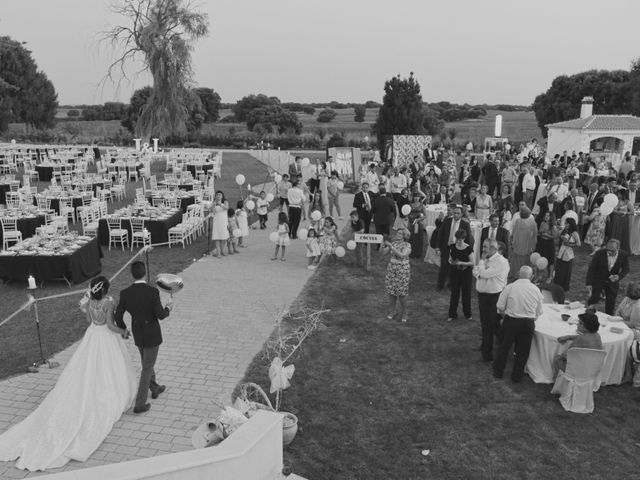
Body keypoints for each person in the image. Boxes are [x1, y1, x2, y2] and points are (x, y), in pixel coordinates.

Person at [0, 277, 136, 471]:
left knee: (87, 367)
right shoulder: (109, 303)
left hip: (92, 336)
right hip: (105, 339)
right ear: (105, 289)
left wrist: (86, 308)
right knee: (110, 368)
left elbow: (90, 321)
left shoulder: (90, 302)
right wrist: (123, 330)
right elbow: (110, 326)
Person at [115, 262, 172, 414]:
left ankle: (154, 388)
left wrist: (123, 329)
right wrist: (168, 308)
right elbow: (160, 315)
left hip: (138, 333)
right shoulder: (152, 292)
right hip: (152, 333)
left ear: (131, 274)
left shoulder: (125, 293)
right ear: (144, 273)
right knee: (147, 367)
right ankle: (140, 404)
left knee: (147, 361)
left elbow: (118, 315)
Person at [492, 266, 543, 382]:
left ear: (518, 274)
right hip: (528, 323)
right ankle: (517, 376)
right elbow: (539, 311)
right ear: (532, 276)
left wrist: (504, 314)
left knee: (504, 347)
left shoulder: (510, 287)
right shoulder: (536, 290)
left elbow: (499, 306)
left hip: (512, 321)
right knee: (523, 351)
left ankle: (498, 371)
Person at [473, 238, 510, 362]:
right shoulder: (485, 259)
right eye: (483, 246)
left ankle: (488, 353)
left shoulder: (501, 262)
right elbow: (475, 271)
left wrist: (482, 267)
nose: (482, 249)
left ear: (493, 249)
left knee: (491, 324)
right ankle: (486, 345)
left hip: (494, 297)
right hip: (482, 296)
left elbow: (484, 274)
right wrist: (481, 270)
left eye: (485, 247)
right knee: (485, 323)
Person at [435, 205, 474, 291]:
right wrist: (437, 247)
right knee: (444, 266)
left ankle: (451, 285)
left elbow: (468, 239)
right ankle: (440, 284)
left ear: (461, 215)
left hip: (457, 248)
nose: (456, 215)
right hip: (446, 247)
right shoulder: (447, 221)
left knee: (454, 268)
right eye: (455, 213)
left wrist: (466, 251)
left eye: (458, 213)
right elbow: (440, 234)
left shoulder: (465, 224)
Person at [586, 239, 630, 314]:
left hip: (612, 283)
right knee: (593, 299)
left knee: (611, 302)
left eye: (612, 251)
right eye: (608, 250)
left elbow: (626, 269)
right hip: (598, 280)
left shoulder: (624, 255)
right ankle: (589, 316)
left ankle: (608, 318)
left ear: (618, 248)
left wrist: (618, 276)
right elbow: (592, 269)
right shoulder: (599, 253)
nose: (609, 252)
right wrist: (589, 283)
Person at [383, 228, 412, 323]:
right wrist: (383, 244)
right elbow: (383, 253)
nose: (397, 234)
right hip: (392, 269)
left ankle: (405, 312)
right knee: (391, 292)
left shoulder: (408, 245)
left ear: (405, 236)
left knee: (402, 294)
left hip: (402, 271)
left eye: (400, 233)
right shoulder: (394, 243)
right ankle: (393, 311)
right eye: (398, 232)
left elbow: (402, 255)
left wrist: (391, 246)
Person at [447, 229, 475, 322]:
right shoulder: (452, 247)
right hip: (455, 273)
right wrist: (451, 262)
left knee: (466, 294)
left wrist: (461, 263)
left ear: (464, 239)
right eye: (457, 239)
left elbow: (472, 263)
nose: (458, 241)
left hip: (466, 274)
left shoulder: (468, 249)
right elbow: (450, 258)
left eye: (460, 239)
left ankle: (468, 314)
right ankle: (452, 314)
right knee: (454, 293)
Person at [509, 204, 538, 280]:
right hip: (527, 245)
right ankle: (526, 275)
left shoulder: (518, 221)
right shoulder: (532, 222)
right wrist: (533, 244)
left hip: (518, 244)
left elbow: (514, 233)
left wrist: (512, 241)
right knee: (526, 260)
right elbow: (535, 235)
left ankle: (516, 274)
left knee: (517, 260)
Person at [553, 217, 580, 292]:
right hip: (561, 252)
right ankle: (557, 284)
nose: (566, 224)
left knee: (566, 272)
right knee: (558, 270)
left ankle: (564, 286)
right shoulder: (564, 230)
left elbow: (578, 244)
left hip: (568, 254)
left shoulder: (574, 233)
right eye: (565, 223)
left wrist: (569, 244)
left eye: (567, 223)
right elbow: (558, 238)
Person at [534, 210, 557, 277]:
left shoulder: (553, 226)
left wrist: (547, 235)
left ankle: (550, 276)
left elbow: (555, 236)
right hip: (542, 242)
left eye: (548, 215)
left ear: (551, 217)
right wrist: (540, 233)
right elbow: (540, 232)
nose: (546, 217)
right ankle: (539, 276)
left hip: (549, 244)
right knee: (539, 259)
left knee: (550, 261)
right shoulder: (542, 223)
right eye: (545, 215)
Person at [210, 190, 229, 257]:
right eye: (217, 195)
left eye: (220, 195)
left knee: (224, 238)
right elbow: (213, 211)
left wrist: (220, 204)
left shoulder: (225, 202)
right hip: (217, 221)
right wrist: (213, 206)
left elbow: (226, 208)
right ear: (215, 196)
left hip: (223, 221)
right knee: (217, 237)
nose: (218, 196)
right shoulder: (214, 202)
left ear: (222, 196)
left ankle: (222, 250)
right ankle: (218, 253)